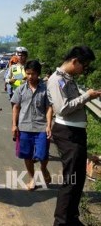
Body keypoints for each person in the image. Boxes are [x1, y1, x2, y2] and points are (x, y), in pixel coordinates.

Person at [47, 46, 101, 225]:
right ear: (74, 61)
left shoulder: (68, 79)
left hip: (76, 132)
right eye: (83, 65)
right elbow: (62, 108)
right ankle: (61, 222)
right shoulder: (56, 80)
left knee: (77, 179)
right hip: (67, 133)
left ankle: (72, 218)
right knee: (70, 180)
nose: (83, 69)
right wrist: (87, 96)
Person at [11, 60, 52, 190]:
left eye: (33, 74)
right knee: (27, 155)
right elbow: (16, 107)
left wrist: (49, 125)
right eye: (28, 74)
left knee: (43, 154)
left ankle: (44, 169)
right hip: (24, 127)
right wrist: (14, 125)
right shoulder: (21, 89)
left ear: (38, 74)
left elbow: (49, 108)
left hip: (41, 127)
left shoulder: (45, 89)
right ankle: (32, 178)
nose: (30, 77)